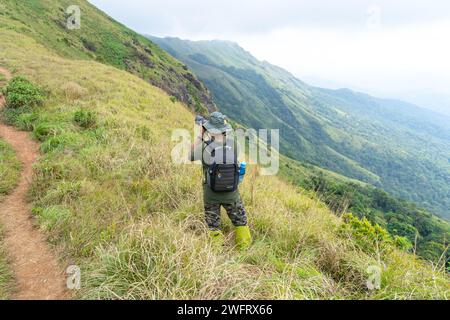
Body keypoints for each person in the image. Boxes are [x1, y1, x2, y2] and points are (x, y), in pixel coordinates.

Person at [189, 111, 252, 249]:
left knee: (213, 225)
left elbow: (190, 155)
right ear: (225, 129)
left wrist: (201, 135)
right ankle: (244, 249)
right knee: (240, 221)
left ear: (210, 129)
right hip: (232, 194)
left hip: (211, 195)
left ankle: (217, 251)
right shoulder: (235, 145)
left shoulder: (204, 148)